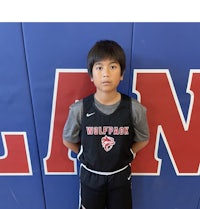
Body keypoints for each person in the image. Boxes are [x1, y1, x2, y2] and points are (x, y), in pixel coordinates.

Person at [63, 40, 150, 209]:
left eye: (112, 67)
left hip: (120, 176)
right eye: (99, 67)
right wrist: (82, 153)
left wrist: (130, 153)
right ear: (91, 75)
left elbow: (144, 138)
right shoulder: (79, 109)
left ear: (122, 73)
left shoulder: (134, 108)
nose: (106, 74)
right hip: (91, 176)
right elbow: (68, 139)